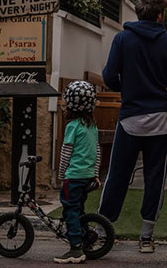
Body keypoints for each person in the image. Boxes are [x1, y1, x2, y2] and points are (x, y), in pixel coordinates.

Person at [98, 0, 167, 253]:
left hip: (131, 117)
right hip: (161, 120)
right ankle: (146, 236)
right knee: (155, 176)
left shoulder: (122, 40)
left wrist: (128, 89)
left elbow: (109, 76)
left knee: (117, 175)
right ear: (160, 15)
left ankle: (102, 229)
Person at [54, 81, 101, 264]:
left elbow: (66, 152)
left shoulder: (72, 126)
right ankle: (84, 238)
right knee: (79, 209)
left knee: (70, 209)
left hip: (73, 176)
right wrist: (95, 173)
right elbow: (97, 151)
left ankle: (75, 248)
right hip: (87, 176)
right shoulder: (92, 126)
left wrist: (61, 174)